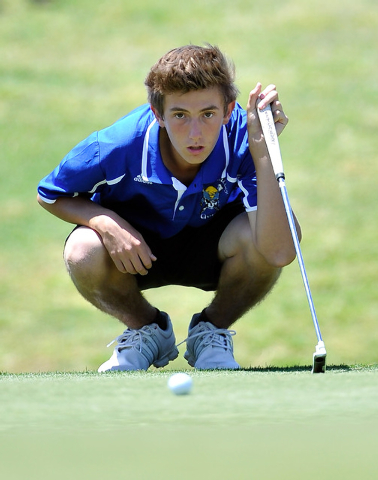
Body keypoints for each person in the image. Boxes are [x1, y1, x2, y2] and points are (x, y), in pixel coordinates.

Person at [37, 44, 301, 372]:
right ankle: (147, 330)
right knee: (82, 249)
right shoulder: (116, 145)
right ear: (157, 113)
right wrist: (105, 222)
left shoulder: (244, 139)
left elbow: (278, 252)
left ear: (229, 110)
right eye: (179, 116)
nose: (195, 133)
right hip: (135, 253)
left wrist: (264, 154)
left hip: (218, 249)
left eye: (208, 114)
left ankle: (211, 332)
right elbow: (50, 194)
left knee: (263, 235)